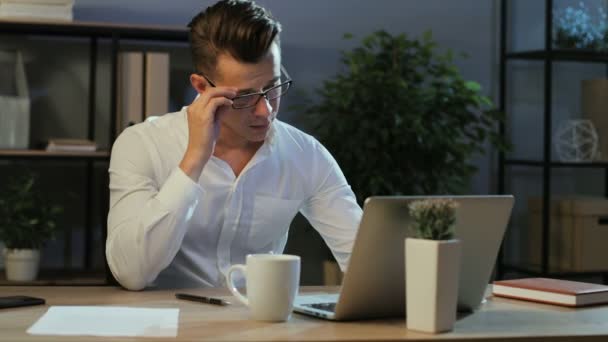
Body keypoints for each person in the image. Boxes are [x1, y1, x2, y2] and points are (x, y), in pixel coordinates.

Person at [106, 0, 362, 290]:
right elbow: (131, 273)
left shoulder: (306, 155)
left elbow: (364, 260)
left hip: (258, 324)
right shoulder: (142, 144)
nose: (265, 110)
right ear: (202, 87)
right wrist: (193, 161)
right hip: (166, 326)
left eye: (273, 87)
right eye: (244, 96)